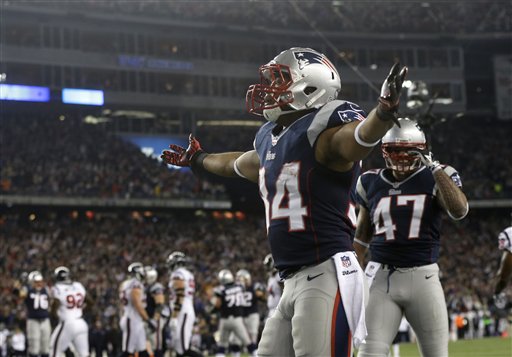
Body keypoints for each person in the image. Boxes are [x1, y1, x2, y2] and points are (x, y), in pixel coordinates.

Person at [162, 46, 408, 355]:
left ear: (310, 85)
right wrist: (199, 159)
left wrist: (383, 114)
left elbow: (357, 139)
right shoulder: (271, 140)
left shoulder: (324, 131)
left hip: (327, 271)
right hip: (291, 280)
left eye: (278, 79)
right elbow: (236, 163)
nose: (268, 89)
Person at [353, 118, 469, 357]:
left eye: (407, 151)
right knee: (368, 352)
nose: (400, 157)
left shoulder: (438, 176)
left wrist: (436, 170)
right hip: (380, 278)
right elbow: (362, 235)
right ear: (385, 150)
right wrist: (353, 277)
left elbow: (459, 210)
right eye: (394, 150)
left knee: (436, 354)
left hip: (423, 276)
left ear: (421, 149)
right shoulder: (370, 181)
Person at [211, 269, 257, 357]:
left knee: (222, 346)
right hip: (237, 320)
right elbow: (245, 285)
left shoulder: (220, 290)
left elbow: (217, 305)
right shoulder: (240, 287)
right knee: (249, 343)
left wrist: (213, 310)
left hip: (225, 320)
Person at [166, 252, 202, 357]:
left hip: (182, 311)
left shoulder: (178, 274)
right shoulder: (188, 274)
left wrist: (174, 316)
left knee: (182, 348)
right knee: (180, 346)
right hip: (186, 308)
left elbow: (180, 294)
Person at [49, 266, 90, 357]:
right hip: (81, 322)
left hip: (67, 323)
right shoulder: (78, 285)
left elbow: (55, 305)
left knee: (55, 350)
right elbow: (90, 302)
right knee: (84, 354)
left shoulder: (57, 288)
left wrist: (54, 315)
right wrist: (80, 310)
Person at [119, 262, 152, 357]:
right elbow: (137, 304)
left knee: (143, 350)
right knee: (127, 352)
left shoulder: (125, 284)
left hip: (134, 319)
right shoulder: (135, 284)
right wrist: (147, 319)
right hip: (132, 319)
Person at [229, 269, 261, 355]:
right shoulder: (234, 289)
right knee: (236, 339)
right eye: (239, 279)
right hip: (240, 316)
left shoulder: (254, 287)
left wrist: (260, 292)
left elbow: (262, 296)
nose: (240, 281)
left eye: (242, 279)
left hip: (252, 314)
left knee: (252, 337)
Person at [19, 270, 51, 357]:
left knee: (46, 346)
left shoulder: (46, 289)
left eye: (40, 282)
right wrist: (25, 287)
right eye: (36, 282)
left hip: (45, 319)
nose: (39, 284)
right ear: (31, 282)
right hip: (33, 320)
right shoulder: (27, 289)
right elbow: (21, 296)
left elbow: (51, 299)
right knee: (34, 347)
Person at [144, 266, 167, 357]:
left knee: (156, 345)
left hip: (154, 319)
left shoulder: (156, 287)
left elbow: (160, 305)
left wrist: (154, 319)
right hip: (147, 319)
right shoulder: (146, 287)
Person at [494, 217, 512, 296]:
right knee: (503, 279)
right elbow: (504, 250)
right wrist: (501, 268)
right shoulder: (508, 232)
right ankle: (497, 293)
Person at [262, 254, 282, 320]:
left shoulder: (278, 276)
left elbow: (285, 291)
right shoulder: (270, 278)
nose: (266, 268)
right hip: (272, 309)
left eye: (268, 265)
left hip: (279, 309)